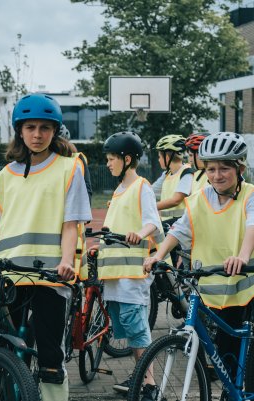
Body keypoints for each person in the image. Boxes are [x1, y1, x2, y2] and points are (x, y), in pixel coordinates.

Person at [0, 93, 91, 401]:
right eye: (30, 127)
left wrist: (66, 261)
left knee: (50, 355)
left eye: (45, 128)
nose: (37, 134)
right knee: (2, 351)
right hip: (10, 274)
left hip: (50, 274)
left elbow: (70, 224)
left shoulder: (69, 168)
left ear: (54, 131)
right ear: (19, 131)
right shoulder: (3, 177)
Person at [144, 132, 254, 393]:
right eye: (212, 169)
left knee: (247, 364)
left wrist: (242, 255)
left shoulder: (250, 195)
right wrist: (158, 255)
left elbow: (252, 226)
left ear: (239, 168)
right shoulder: (200, 198)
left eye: (224, 168)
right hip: (214, 293)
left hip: (247, 291)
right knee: (225, 358)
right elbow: (179, 231)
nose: (217, 175)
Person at [98, 132, 164, 397]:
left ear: (126, 159)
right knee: (127, 327)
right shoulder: (118, 191)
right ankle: (140, 377)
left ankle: (150, 384)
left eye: (112, 158)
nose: (108, 163)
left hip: (133, 273)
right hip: (117, 273)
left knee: (137, 328)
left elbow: (153, 223)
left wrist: (140, 231)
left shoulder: (142, 187)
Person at [151, 134, 193, 225]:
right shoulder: (166, 174)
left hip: (181, 224)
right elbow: (150, 191)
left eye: (159, 157)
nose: (158, 160)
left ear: (167, 157)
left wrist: (149, 207)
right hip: (166, 223)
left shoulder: (186, 173)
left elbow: (176, 200)